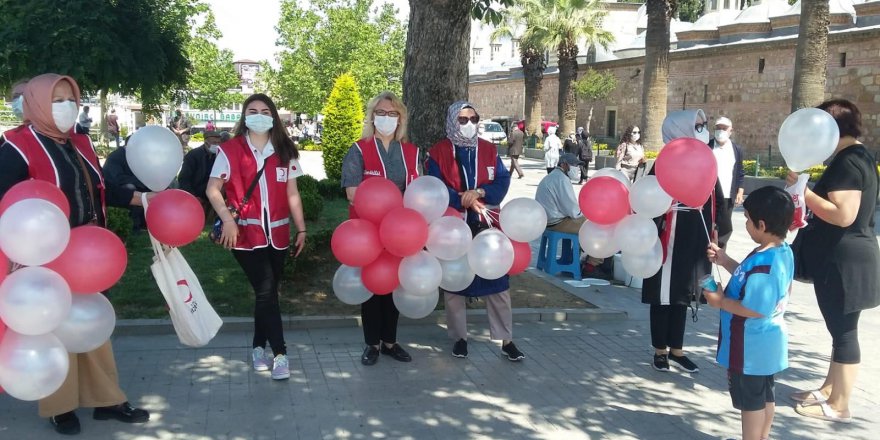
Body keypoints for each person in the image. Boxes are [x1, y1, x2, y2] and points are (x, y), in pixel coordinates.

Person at [0, 73, 150, 435]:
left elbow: (103, 188)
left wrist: (144, 198)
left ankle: (107, 400)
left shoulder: (80, 143)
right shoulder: (16, 147)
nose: (67, 107)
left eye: (71, 99)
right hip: (43, 259)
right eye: (57, 100)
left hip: (88, 254)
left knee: (92, 327)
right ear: (35, 102)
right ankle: (60, 405)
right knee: (54, 330)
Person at [786, 99, 880, 423]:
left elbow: (844, 215)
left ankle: (840, 405)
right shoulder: (857, 156)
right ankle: (830, 389)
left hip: (845, 260)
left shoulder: (848, 163)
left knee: (844, 334)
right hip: (847, 257)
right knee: (840, 330)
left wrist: (803, 190)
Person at [205, 93, 307, 381]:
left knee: (268, 295)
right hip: (244, 235)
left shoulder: (285, 150)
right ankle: (281, 354)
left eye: (265, 110)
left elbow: (292, 193)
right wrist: (227, 220)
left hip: (278, 235)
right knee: (266, 291)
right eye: (253, 110)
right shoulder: (230, 150)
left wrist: (302, 228)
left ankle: (257, 347)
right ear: (244, 115)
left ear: (273, 115)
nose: (259, 114)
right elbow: (213, 189)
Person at [427, 101, 524, 362]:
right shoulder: (438, 152)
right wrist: (462, 199)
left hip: (487, 226)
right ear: (451, 121)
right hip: (453, 227)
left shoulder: (489, 150)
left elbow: (502, 181)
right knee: (454, 285)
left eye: (473, 118)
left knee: (498, 284)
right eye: (462, 119)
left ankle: (507, 339)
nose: (469, 124)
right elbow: (435, 186)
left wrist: (480, 192)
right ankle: (459, 338)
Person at [704, 185, 795, 440]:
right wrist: (725, 260)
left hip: (750, 346)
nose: (745, 224)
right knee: (765, 395)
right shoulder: (779, 250)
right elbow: (747, 276)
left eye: (747, 220)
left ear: (762, 225)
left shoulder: (766, 264)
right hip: (767, 344)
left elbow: (755, 309)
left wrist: (720, 301)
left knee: (751, 403)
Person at [341, 91, 419, 366]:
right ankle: (371, 344)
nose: (387, 118)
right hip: (368, 234)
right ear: (373, 117)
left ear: (401, 119)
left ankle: (390, 342)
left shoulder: (411, 152)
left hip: (399, 234)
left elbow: (419, 192)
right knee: (373, 288)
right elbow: (352, 192)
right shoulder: (359, 149)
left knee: (393, 287)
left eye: (393, 113)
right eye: (381, 113)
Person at [641, 109, 712, 374]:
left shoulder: (705, 159)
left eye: (704, 124)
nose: (703, 129)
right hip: (666, 235)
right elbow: (648, 198)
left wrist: (716, 231)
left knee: (683, 292)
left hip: (694, 234)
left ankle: (678, 350)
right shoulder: (663, 161)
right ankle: (660, 350)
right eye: (697, 125)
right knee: (663, 294)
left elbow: (714, 196)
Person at [103, 137, 152, 231]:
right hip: (115, 189)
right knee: (131, 188)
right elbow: (119, 178)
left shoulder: (134, 156)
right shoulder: (115, 157)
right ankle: (134, 225)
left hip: (133, 183)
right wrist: (143, 183)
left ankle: (148, 222)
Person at [710, 116, 745, 248]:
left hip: (727, 193)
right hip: (710, 194)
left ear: (731, 131)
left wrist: (740, 191)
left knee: (724, 225)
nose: (721, 131)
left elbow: (740, 172)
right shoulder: (707, 147)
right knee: (709, 222)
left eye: (724, 128)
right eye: (718, 128)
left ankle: (720, 250)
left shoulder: (736, 150)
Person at [535, 153, 584, 235]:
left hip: (546, 219)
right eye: (574, 165)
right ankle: (580, 248)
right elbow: (572, 209)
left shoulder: (554, 175)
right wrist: (582, 213)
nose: (577, 168)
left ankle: (576, 248)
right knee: (590, 226)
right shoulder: (562, 179)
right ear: (564, 164)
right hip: (555, 222)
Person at [180, 130, 221, 223]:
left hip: (213, 189)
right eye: (214, 143)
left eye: (219, 142)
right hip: (196, 190)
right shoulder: (193, 155)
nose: (217, 145)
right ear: (206, 142)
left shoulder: (220, 155)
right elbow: (184, 179)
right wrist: (193, 196)